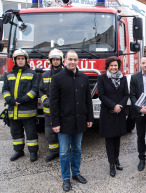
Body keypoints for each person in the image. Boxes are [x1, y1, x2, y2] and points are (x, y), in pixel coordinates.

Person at [50, 50, 94, 191]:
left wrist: (90, 118)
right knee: (63, 152)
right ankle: (66, 178)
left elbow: (88, 100)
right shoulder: (57, 78)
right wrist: (55, 123)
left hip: (80, 121)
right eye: (70, 59)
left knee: (76, 149)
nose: (72, 62)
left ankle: (76, 173)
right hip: (63, 122)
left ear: (78, 61)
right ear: (65, 61)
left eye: (75, 59)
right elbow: (53, 103)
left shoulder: (84, 78)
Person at [2, 49, 39, 162]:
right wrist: (10, 100)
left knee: (31, 133)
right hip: (13, 111)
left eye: (22, 59)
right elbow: (5, 90)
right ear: (15, 60)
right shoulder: (8, 75)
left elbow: (34, 90)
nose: (21, 61)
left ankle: (33, 152)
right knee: (16, 133)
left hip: (28, 111)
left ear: (26, 60)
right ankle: (18, 151)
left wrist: (23, 99)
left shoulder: (33, 74)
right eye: (18, 59)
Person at [97, 56, 129, 177]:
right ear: (107, 67)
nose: (114, 67)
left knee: (117, 139)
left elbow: (126, 94)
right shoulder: (102, 78)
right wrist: (113, 106)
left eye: (115, 65)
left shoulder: (123, 78)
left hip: (119, 113)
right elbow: (101, 95)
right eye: (111, 65)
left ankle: (117, 160)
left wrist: (120, 105)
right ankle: (111, 164)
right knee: (109, 140)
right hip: (108, 114)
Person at [39, 48, 64, 162]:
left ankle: (64, 154)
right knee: (50, 134)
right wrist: (45, 100)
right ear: (50, 61)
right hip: (49, 112)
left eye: (57, 59)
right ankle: (53, 153)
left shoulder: (66, 74)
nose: (55, 62)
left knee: (64, 134)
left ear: (61, 60)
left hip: (63, 112)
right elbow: (41, 91)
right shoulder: (45, 75)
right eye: (53, 59)